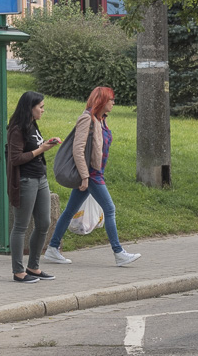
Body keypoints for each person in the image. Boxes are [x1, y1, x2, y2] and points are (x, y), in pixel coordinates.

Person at [43, 86, 141, 267]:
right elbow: (78, 150)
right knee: (110, 209)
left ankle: (52, 249)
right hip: (91, 175)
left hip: (95, 173)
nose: (113, 102)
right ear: (102, 101)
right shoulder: (86, 119)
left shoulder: (101, 120)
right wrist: (85, 177)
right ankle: (119, 253)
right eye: (111, 99)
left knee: (69, 211)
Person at [6, 91, 61, 283]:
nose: (43, 110)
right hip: (25, 180)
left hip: (40, 178)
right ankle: (18, 271)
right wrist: (41, 149)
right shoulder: (17, 129)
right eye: (41, 107)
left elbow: (34, 147)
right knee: (21, 226)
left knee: (44, 222)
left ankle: (34, 267)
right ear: (30, 107)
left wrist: (46, 144)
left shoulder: (32, 125)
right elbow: (16, 158)